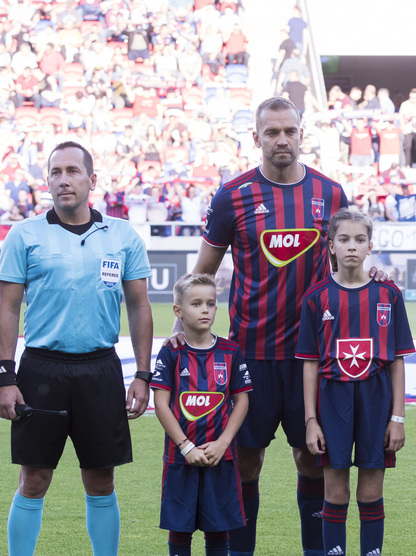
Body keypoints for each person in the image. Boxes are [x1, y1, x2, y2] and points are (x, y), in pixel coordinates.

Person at [168, 97, 352, 556]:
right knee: (246, 461)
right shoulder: (232, 195)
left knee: (312, 458)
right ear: (256, 138)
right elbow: (203, 272)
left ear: (302, 135)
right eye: (272, 132)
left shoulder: (331, 194)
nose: (281, 139)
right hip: (251, 355)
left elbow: (345, 269)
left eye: (289, 130)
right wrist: (182, 325)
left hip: (312, 357)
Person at [0, 141, 153, 554]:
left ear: (92, 180)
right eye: (55, 172)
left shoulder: (122, 235)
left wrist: (142, 374)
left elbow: (139, 306)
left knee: (101, 480)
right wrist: (5, 376)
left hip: (100, 370)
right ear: (47, 181)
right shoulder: (24, 234)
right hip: (41, 370)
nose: (63, 180)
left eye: (72, 171)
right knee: (34, 479)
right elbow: (7, 308)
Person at [298, 208, 413, 556]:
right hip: (332, 399)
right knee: (335, 492)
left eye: (360, 239)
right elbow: (310, 364)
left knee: (371, 491)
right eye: (344, 239)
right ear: (331, 246)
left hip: (376, 398)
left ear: (370, 246)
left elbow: (397, 360)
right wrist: (311, 420)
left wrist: (397, 417)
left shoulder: (388, 294)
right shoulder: (316, 297)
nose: (352, 246)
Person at [152, 273, 251, 556]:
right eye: (196, 304)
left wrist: (223, 443)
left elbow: (242, 401)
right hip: (180, 457)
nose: (205, 309)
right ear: (178, 311)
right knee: (179, 529)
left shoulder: (230, 351)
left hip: (220, 456)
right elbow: (161, 403)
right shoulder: (171, 353)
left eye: (210, 303)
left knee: (218, 529)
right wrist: (186, 447)